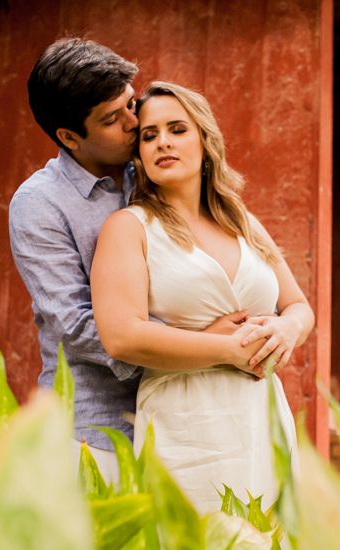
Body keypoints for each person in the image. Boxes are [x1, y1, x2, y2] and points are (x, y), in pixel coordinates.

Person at [9, 39, 250, 485]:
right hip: (96, 429)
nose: (134, 122)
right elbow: (78, 326)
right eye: (111, 119)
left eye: (130, 103)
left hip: (186, 419)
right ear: (69, 137)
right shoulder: (40, 204)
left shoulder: (156, 168)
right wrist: (203, 344)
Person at [91, 82, 315, 513]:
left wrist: (287, 329)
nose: (163, 143)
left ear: (205, 140)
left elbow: (298, 306)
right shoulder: (129, 227)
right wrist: (227, 351)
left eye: (177, 129)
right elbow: (121, 336)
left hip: (262, 416)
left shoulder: (243, 223)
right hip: (184, 420)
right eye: (149, 135)